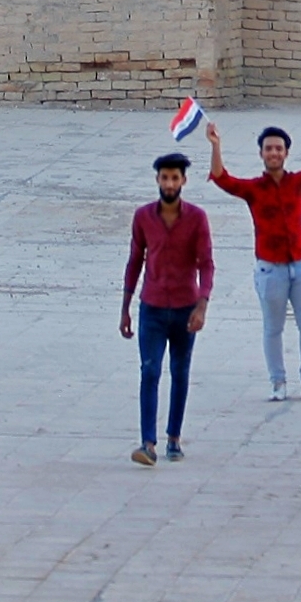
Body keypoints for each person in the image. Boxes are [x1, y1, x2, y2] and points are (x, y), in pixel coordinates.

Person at [208, 95, 301, 402]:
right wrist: (216, 146)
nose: (274, 152)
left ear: (286, 153)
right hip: (270, 268)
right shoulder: (253, 190)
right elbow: (221, 178)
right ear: (261, 153)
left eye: (279, 148)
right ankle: (278, 382)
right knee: (273, 328)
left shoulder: (300, 182)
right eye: (269, 148)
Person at [120, 151, 213, 466]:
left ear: (183, 181)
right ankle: (148, 443)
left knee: (180, 371)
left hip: (186, 308)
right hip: (153, 307)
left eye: (175, 178)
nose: (170, 183)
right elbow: (135, 261)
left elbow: (207, 265)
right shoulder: (143, 217)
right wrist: (126, 307)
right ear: (157, 180)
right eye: (165, 178)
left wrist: (202, 305)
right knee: (149, 370)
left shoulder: (197, 218)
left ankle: (174, 436)